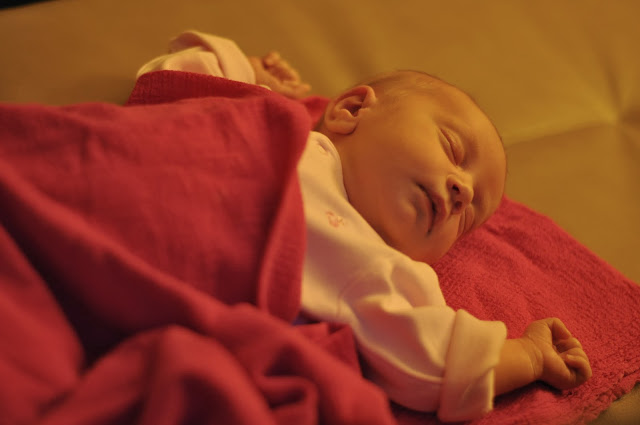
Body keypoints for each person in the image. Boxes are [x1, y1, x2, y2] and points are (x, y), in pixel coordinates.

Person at [137, 30, 592, 422]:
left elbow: (436, 359)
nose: (463, 191)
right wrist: (246, 71)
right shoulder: (274, 118)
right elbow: (171, 85)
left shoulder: (371, 264)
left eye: (468, 217)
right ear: (352, 110)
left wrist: (530, 355)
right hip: (140, 189)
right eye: (453, 149)